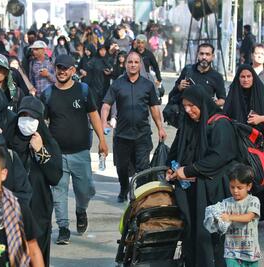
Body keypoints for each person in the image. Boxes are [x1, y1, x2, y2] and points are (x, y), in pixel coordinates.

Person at [166, 85, 239, 267]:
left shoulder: (220, 124)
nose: (188, 110)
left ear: (201, 103)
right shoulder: (189, 123)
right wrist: (170, 167)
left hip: (212, 192)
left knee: (208, 237)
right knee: (191, 233)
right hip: (190, 191)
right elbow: (176, 149)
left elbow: (219, 157)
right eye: (185, 106)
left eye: (192, 105)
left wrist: (188, 170)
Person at [41, 54, 108, 245]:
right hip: (57, 154)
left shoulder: (83, 90)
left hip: (81, 152)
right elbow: (43, 123)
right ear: (55, 69)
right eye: (59, 68)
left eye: (66, 68)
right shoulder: (48, 94)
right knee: (59, 191)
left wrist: (102, 140)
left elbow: (94, 115)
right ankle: (63, 228)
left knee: (86, 190)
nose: (61, 71)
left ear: (72, 71)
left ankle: (81, 210)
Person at [101, 51, 167, 202]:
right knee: (122, 167)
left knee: (142, 167)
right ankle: (124, 189)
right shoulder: (117, 84)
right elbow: (106, 105)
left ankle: (139, 195)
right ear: (125, 64)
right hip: (122, 135)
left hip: (142, 134)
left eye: (136, 62)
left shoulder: (148, 85)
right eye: (130, 62)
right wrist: (104, 121)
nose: (133, 65)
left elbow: (154, 108)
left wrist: (160, 127)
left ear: (140, 65)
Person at [8, 96, 62, 265]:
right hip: (11, 211)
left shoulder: (48, 143)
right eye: (23, 116)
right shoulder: (7, 142)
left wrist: (40, 151)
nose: (27, 121)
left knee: (37, 255)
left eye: (32, 117)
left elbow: (55, 177)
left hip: (39, 212)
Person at [219, 164, 261, 267]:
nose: (235, 191)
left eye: (239, 187)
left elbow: (248, 217)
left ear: (249, 186)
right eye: (232, 187)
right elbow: (219, 218)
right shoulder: (226, 203)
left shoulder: (253, 201)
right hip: (231, 252)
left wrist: (229, 217)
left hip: (250, 253)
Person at [224, 65, 264, 133]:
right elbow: (225, 116)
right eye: (242, 77)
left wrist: (260, 118)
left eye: (248, 76)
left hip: (259, 138)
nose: (246, 80)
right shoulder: (233, 95)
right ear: (238, 78)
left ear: (253, 77)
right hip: (237, 137)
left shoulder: (261, 92)